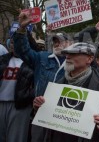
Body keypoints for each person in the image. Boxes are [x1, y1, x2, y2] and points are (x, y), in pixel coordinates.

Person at [33, 42, 99, 141]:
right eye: (67, 54)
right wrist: (39, 107)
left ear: (89, 59)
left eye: (74, 54)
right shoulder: (57, 84)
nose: (68, 57)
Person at [13, 11, 72, 141]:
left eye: (61, 41)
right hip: (40, 114)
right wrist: (22, 29)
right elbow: (22, 50)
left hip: (65, 119)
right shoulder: (42, 58)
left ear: (69, 44)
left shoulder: (75, 62)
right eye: (55, 41)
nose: (57, 44)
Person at [0, 38, 33, 142]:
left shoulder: (31, 61)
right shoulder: (2, 59)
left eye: (17, 41)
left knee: (16, 138)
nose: (13, 45)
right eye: (12, 42)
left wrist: (29, 96)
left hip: (20, 106)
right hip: (1, 103)